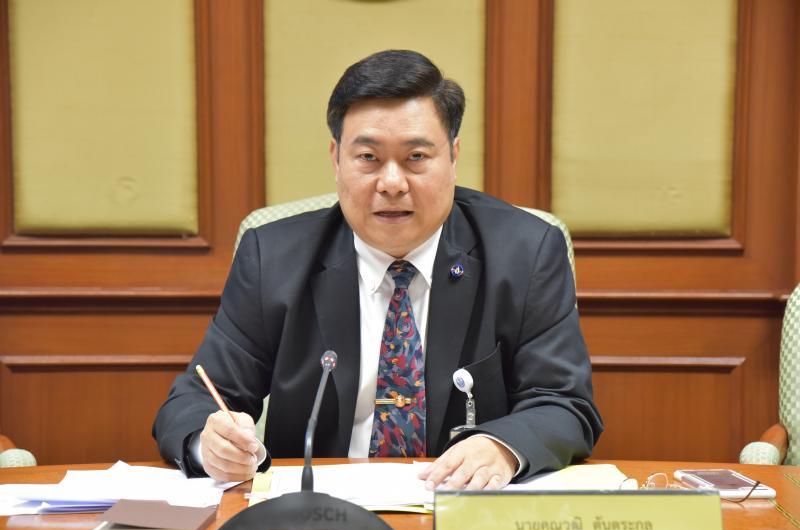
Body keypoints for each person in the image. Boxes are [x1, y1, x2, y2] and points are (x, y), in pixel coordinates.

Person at [153, 49, 602, 490]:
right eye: (368, 157)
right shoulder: (273, 256)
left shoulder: (525, 251)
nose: (391, 183)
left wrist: (501, 446)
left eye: (416, 157)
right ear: (336, 159)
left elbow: (564, 403)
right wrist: (208, 444)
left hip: (459, 507)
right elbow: (193, 401)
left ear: (453, 157)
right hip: (318, 512)